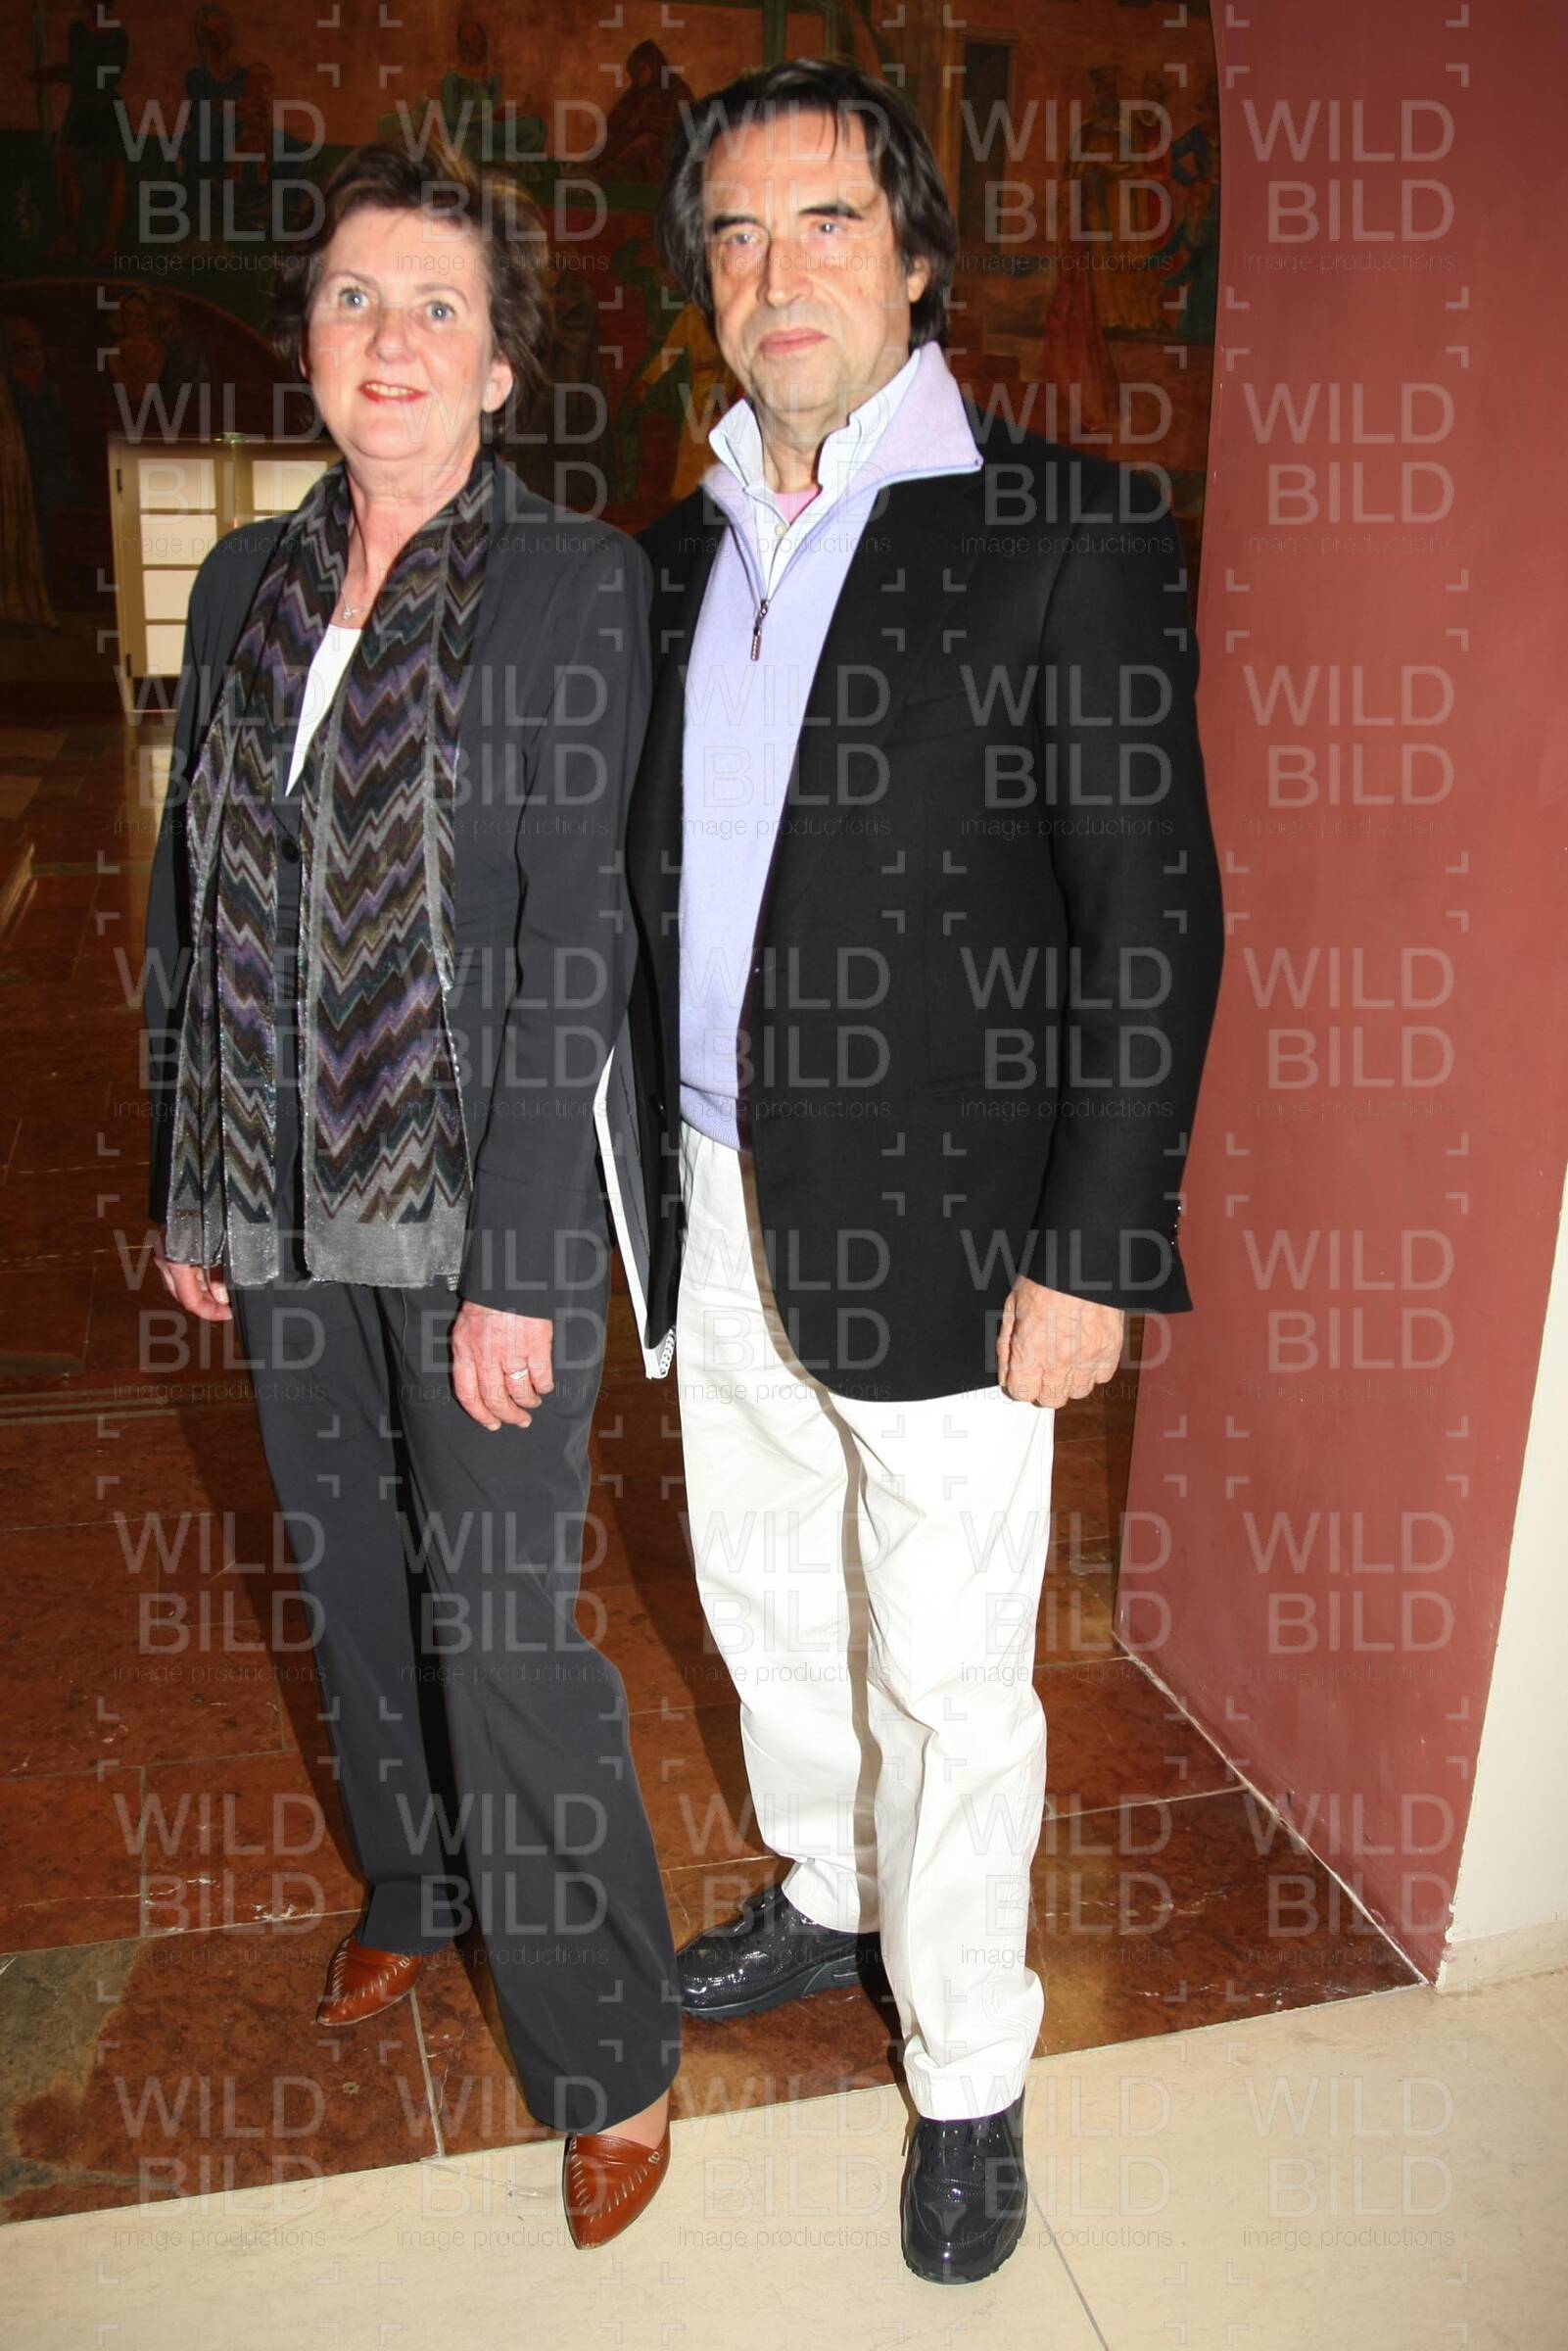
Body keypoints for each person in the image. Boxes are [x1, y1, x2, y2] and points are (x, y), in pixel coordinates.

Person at [605, 60, 1224, 2283]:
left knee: (952, 1674)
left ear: (917, 256)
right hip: (710, 1188)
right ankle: (829, 1887)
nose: (778, 273)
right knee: (767, 1590)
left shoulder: (1063, 531)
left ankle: (965, 2070)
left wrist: (1095, 1249)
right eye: (738, 235)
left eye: (828, 223)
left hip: (965, 1228)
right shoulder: (671, 558)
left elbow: (1156, 916)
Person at [142, 141, 679, 2250]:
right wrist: (192, 1178)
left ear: (501, 367)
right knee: (350, 1582)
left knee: (503, 1630)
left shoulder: (569, 584)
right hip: (275, 1195)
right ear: (308, 340)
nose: (391, 338)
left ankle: (609, 2046)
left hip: (471, 1219)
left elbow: (571, 943)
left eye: (437, 306)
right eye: (355, 298)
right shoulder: (242, 584)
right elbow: (195, 892)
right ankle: (414, 1881)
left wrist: (522, 1264)